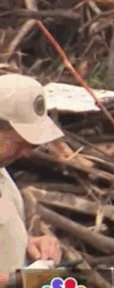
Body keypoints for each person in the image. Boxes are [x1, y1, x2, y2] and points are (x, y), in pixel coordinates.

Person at [0, 75, 64, 283]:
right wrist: (14, 283)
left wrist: (28, 244)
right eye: (23, 142)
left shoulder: (3, 173)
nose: (27, 153)